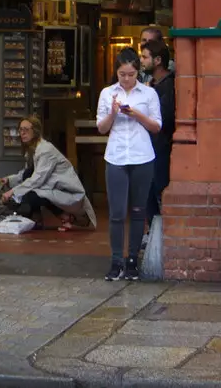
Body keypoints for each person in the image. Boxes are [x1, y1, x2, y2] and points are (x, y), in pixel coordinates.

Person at [96, 49, 162, 281]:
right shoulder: (107, 93)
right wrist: (113, 113)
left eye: (131, 74)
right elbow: (102, 128)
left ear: (138, 72)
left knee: (137, 211)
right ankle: (116, 260)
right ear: (116, 72)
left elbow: (156, 127)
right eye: (122, 74)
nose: (126, 79)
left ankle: (132, 260)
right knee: (116, 212)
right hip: (116, 156)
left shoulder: (149, 93)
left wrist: (135, 114)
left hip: (142, 155)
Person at [0, 116, 96, 231]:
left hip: (65, 191)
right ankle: (37, 218)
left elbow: (37, 179)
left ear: (35, 131)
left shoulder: (45, 150)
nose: (22, 133)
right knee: (28, 180)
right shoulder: (32, 149)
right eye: (20, 129)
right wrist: (9, 179)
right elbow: (27, 173)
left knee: (29, 195)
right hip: (49, 186)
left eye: (26, 130)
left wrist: (12, 192)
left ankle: (66, 216)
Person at [140, 30, 175, 224]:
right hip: (146, 149)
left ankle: (161, 237)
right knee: (147, 195)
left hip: (161, 148)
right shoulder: (150, 85)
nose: (141, 61)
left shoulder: (168, 87)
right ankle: (152, 235)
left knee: (159, 192)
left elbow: (164, 119)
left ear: (158, 60)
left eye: (145, 57)